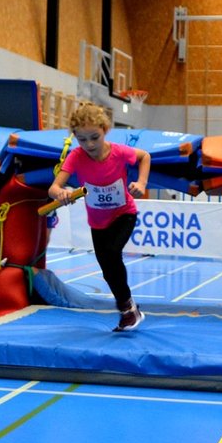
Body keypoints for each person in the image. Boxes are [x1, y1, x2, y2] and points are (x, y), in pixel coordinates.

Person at [48, 101, 153, 331]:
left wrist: (142, 182)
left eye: (94, 137)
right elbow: (53, 188)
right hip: (97, 223)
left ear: (105, 130)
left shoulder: (119, 152)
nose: (89, 144)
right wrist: (61, 193)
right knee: (107, 269)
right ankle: (129, 310)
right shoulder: (76, 156)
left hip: (124, 214)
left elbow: (145, 156)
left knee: (112, 253)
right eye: (82, 139)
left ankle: (127, 310)